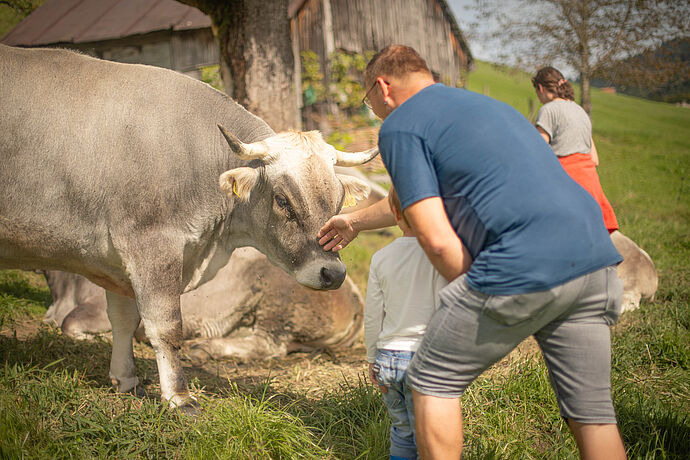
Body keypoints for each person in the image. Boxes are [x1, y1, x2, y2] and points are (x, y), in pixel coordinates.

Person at [318, 45, 627, 460]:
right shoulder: (487, 109)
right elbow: (412, 201)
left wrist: (488, 296)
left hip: (524, 263)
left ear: (382, 87)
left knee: (429, 380)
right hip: (596, 260)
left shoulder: (401, 124)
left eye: (367, 100)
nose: (371, 109)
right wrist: (353, 220)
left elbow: (437, 239)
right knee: (593, 413)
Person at [365, 187, 448, 460]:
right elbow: (442, 309)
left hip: (388, 359)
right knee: (429, 433)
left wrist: (371, 358)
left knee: (401, 430)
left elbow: (373, 315)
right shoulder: (436, 255)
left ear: (395, 214)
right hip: (424, 357)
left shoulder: (380, 258)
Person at [532, 66, 619, 233]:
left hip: (566, 186)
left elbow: (538, 152)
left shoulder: (548, 110)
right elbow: (594, 159)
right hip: (591, 187)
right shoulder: (580, 111)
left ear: (540, 88)